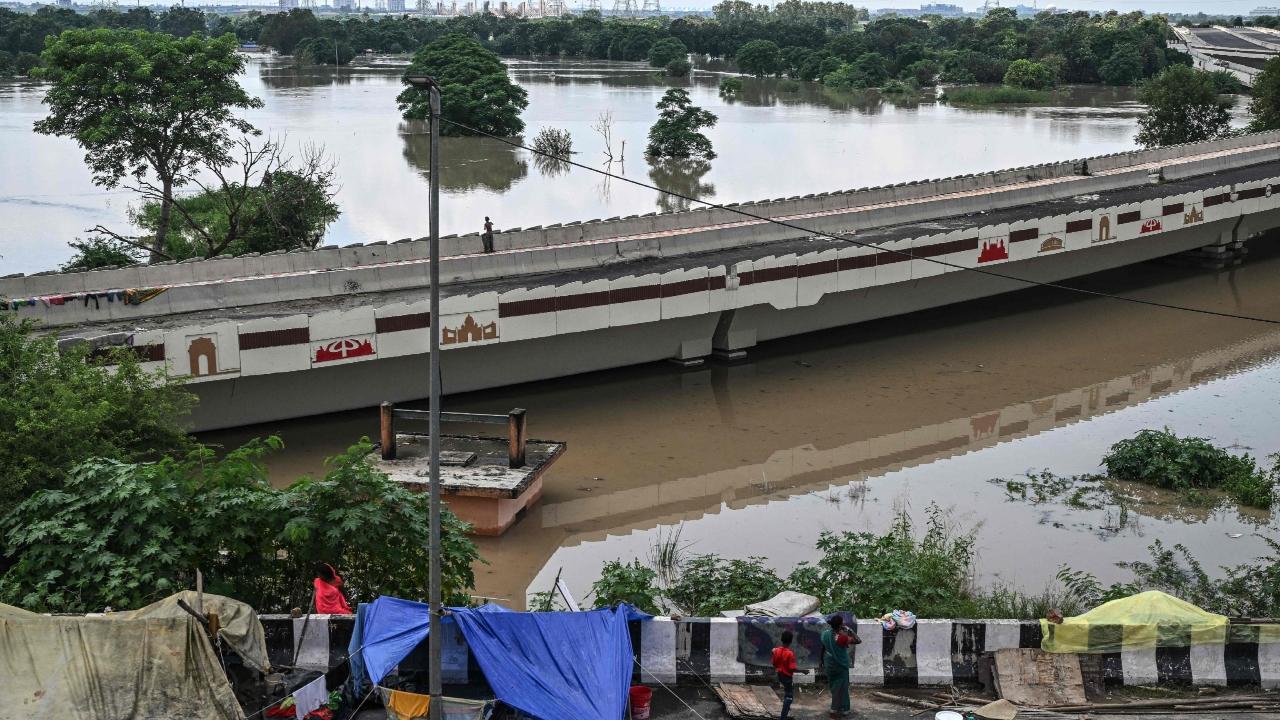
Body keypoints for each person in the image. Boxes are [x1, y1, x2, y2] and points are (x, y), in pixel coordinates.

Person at [821, 615, 859, 718]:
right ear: (840, 625)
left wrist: (821, 661)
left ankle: (837, 707)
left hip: (829, 663)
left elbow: (823, 647)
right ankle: (840, 708)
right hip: (840, 665)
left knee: (834, 686)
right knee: (842, 687)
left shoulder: (825, 634)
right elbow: (858, 640)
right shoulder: (841, 638)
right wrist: (849, 630)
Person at [772, 629, 799, 720]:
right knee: (789, 696)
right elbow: (792, 668)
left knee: (787, 692)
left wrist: (773, 652)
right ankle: (783, 716)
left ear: (781, 639)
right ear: (791, 641)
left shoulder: (776, 650)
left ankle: (786, 709)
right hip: (787, 677)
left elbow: (774, 663)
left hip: (779, 674)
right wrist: (803, 671)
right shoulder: (790, 654)